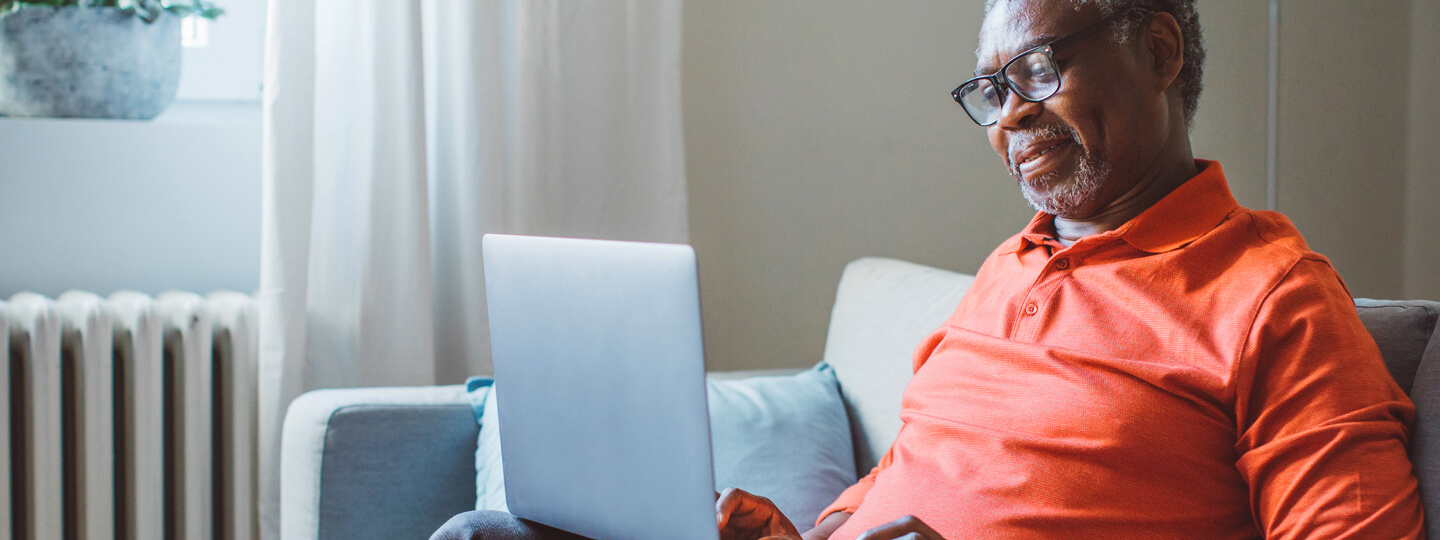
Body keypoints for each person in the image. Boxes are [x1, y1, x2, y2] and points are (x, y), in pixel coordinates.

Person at [435, 0, 1425, 538]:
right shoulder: (1006, 269)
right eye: (989, 92)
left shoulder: (1273, 295)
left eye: (1037, 72)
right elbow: (918, 478)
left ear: (1159, 49)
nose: (1008, 120)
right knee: (484, 536)